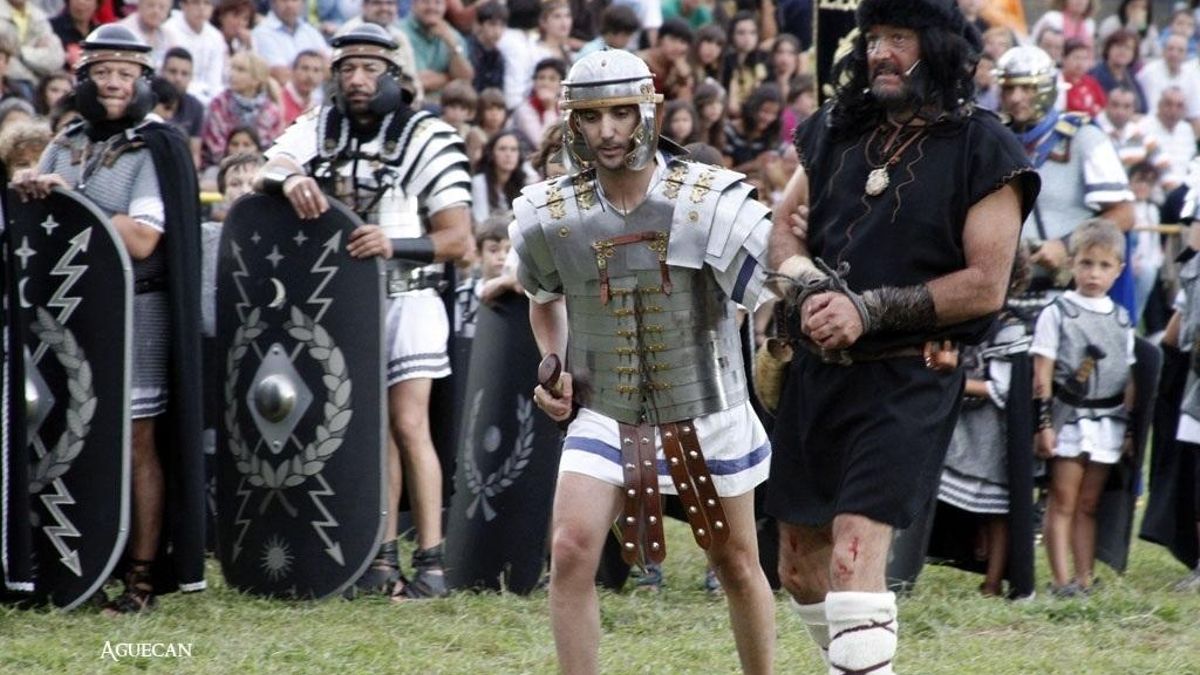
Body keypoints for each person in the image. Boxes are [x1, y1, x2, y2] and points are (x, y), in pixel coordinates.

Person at [766, 1, 1039, 671]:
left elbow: (985, 283)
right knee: (801, 565)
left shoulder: (985, 145)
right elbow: (781, 227)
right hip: (817, 369)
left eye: (899, 37)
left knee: (856, 552)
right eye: (875, 37)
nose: (881, 52)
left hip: (908, 373)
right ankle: (863, 662)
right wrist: (807, 288)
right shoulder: (836, 128)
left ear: (940, 45)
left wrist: (867, 309)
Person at [511, 48, 776, 675]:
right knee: (571, 547)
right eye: (594, 116)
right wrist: (554, 365)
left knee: (736, 561)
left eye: (622, 113)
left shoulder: (709, 198)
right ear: (573, 122)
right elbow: (542, 300)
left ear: (646, 113)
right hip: (605, 405)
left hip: (706, 400)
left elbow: (766, 291)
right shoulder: (552, 213)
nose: (608, 131)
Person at [253, 23, 471, 600]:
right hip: (344, 303)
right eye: (347, 68)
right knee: (367, 430)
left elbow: (459, 240)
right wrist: (292, 176)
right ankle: (378, 557)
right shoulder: (319, 127)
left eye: (370, 68)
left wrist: (392, 243)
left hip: (409, 294)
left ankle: (431, 559)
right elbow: (265, 167)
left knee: (407, 423)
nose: (356, 78)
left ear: (394, 76)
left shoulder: (426, 134)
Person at [11, 23, 205, 614]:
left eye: (125, 74)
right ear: (85, 78)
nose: (115, 84)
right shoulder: (64, 142)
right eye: (104, 73)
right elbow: (37, 221)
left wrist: (68, 202)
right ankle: (67, 562)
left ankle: (141, 578)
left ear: (142, 79)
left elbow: (142, 237)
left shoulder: (155, 148)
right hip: (68, 314)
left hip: (136, 313)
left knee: (137, 440)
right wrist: (29, 189)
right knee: (64, 431)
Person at [1031, 219, 1136, 597]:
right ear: (1072, 263)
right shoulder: (1056, 312)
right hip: (1069, 420)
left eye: (1104, 266)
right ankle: (1061, 582)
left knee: (1088, 503)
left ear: (1118, 270)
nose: (1094, 273)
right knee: (1063, 501)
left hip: (1106, 422)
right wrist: (1044, 423)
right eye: (1087, 263)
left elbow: (1127, 381)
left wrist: (1129, 430)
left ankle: (1084, 578)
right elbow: (1041, 373)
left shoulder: (1122, 319)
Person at [996, 45, 1135, 314]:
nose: (1015, 98)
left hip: (1067, 292)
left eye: (1027, 88)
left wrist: (1067, 245)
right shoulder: (993, 140)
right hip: (1003, 290)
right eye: (1009, 88)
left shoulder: (1084, 137)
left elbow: (1125, 214)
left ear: (1047, 88)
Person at [201, 51, 282, 168]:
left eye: (240, 70)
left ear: (256, 80)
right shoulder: (219, 104)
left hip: (260, 169)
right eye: (232, 68)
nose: (233, 74)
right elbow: (215, 148)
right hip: (220, 167)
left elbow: (273, 150)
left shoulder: (271, 111)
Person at [251, 0, 329, 86]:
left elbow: (331, 69)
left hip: (317, 98)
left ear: (302, 3)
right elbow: (281, 77)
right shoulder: (261, 33)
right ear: (273, 3)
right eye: (284, 1)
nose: (290, 5)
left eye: (294, 0)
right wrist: (317, 71)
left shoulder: (310, 31)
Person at [163, 0, 225, 106]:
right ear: (183, 5)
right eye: (196, 3)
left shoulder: (216, 36)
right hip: (173, 94)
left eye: (207, 3)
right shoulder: (168, 30)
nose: (201, 8)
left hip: (207, 98)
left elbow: (215, 79)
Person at [0, 0, 64, 101]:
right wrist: (35, 53)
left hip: (39, 83)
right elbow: (5, 59)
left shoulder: (39, 16)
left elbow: (56, 59)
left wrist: (20, 52)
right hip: (10, 81)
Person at [279, 49, 325, 126]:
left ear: (322, 76)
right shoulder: (278, 99)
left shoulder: (317, 105)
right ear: (292, 71)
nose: (310, 76)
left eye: (316, 70)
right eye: (305, 68)